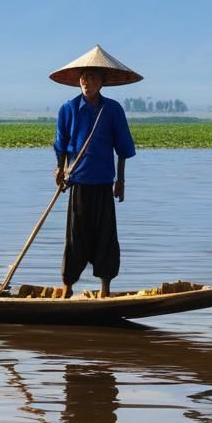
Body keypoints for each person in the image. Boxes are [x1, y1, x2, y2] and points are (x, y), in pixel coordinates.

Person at [51, 45, 141, 298]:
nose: (85, 81)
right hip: (78, 182)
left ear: (102, 82)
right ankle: (67, 287)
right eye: (83, 77)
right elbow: (61, 143)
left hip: (103, 183)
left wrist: (120, 180)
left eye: (91, 77)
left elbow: (123, 147)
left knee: (105, 238)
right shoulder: (68, 110)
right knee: (74, 238)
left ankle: (105, 290)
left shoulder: (112, 110)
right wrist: (60, 169)